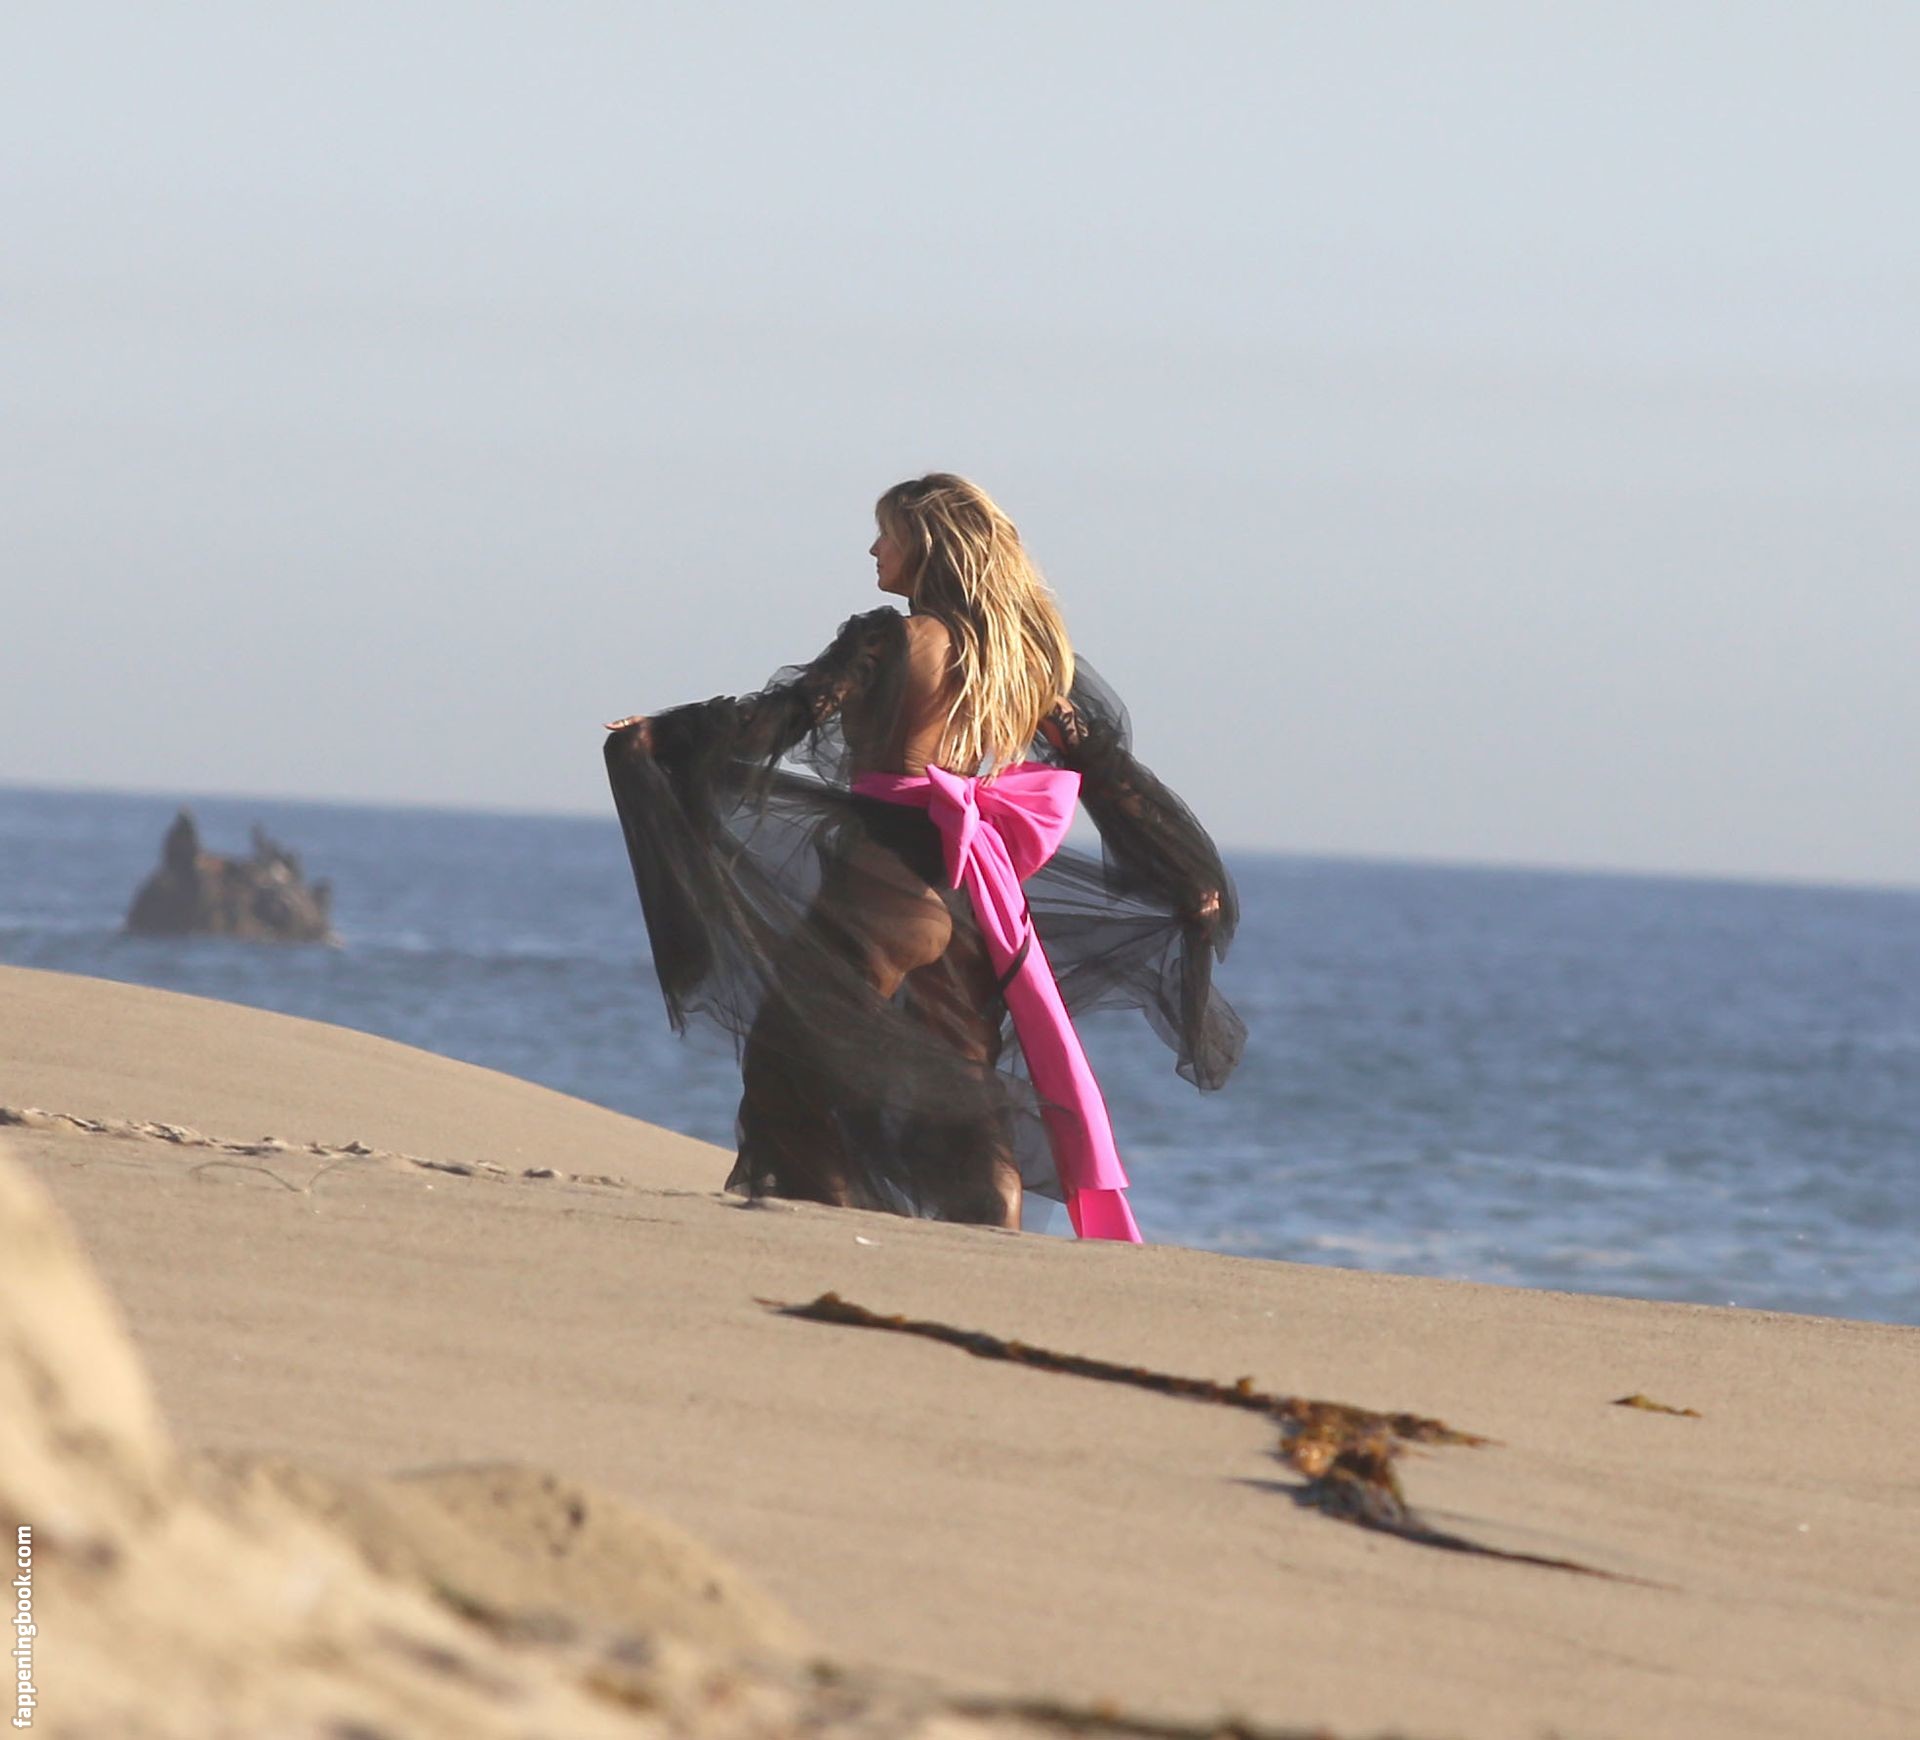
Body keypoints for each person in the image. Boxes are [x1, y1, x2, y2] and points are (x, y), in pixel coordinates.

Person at [603, 473, 1243, 1239]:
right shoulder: (1022, 661)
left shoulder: (892, 640)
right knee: (965, 1092)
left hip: (881, 883)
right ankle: (993, 1243)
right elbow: (1109, 776)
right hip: (969, 894)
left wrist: (664, 735)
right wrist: (1185, 875)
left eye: (888, 533)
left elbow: (787, 716)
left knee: (785, 1063)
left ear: (928, 547)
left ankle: (818, 1231)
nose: (874, 548)